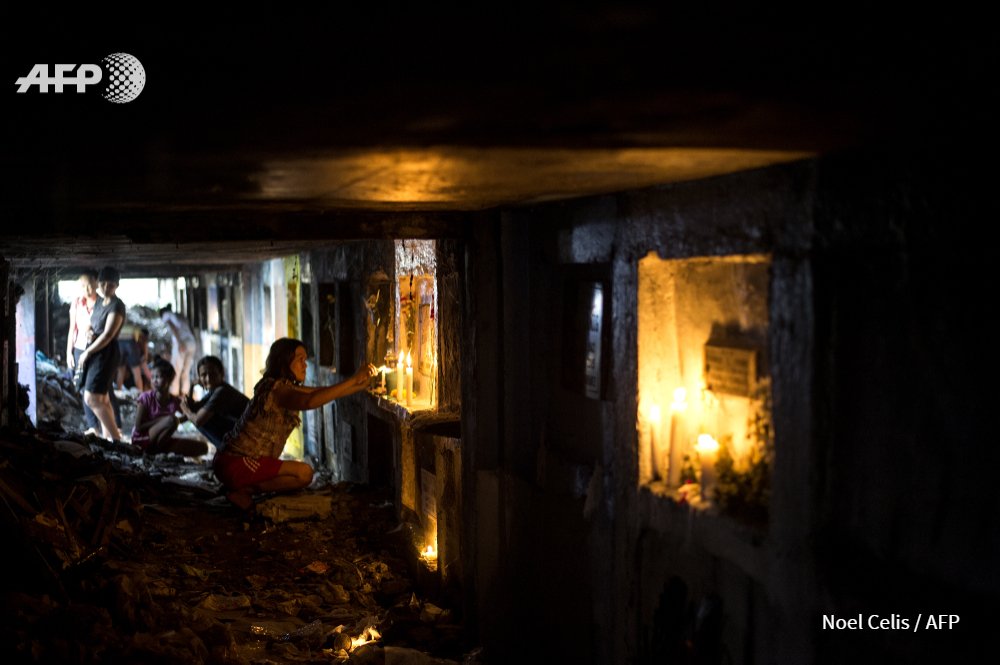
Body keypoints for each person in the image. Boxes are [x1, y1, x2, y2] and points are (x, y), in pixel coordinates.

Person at [213, 338, 374, 513]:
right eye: (300, 360)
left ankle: (240, 487)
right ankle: (242, 490)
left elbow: (316, 392)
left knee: (302, 474)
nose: (304, 366)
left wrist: (357, 385)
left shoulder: (282, 385)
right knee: (304, 474)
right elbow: (310, 400)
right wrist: (354, 379)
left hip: (232, 461)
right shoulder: (277, 390)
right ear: (284, 362)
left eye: (305, 360)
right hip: (236, 462)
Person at [77, 266, 126, 441]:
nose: (106, 287)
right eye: (103, 283)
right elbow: (92, 323)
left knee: (91, 398)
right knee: (103, 398)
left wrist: (87, 352)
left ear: (116, 286)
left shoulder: (117, 305)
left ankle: (116, 439)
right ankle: (109, 438)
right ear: (99, 283)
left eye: (110, 285)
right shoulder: (98, 302)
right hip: (96, 353)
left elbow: (108, 335)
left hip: (106, 354)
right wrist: (88, 331)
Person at [130, 358, 209, 458]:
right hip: (141, 440)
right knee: (172, 420)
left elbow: (188, 412)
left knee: (203, 447)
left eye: (158, 377)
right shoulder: (145, 398)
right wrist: (164, 421)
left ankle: (159, 451)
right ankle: (154, 453)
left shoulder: (174, 401)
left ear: (169, 379)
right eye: (153, 377)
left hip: (161, 441)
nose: (154, 380)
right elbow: (138, 427)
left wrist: (192, 386)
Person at [179, 355, 250, 450]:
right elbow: (193, 409)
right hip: (244, 436)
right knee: (200, 414)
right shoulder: (215, 390)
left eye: (213, 374)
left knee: (203, 417)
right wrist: (192, 386)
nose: (208, 379)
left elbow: (197, 420)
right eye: (203, 375)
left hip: (247, 440)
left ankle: (228, 451)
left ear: (221, 374)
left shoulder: (222, 392)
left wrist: (186, 410)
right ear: (199, 378)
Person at [65, 270, 99, 432]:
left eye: (89, 285)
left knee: (96, 387)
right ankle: (93, 426)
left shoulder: (102, 303)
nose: (86, 289)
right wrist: (68, 353)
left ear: (96, 283)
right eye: (83, 286)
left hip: (96, 350)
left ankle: (105, 425)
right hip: (79, 348)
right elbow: (72, 329)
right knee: (83, 387)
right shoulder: (77, 303)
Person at [159, 303, 197, 396]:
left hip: (182, 343)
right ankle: (185, 392)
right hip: (192, 342)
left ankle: (174, 393)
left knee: (176, 369)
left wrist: (180, 343)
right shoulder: (179, 315)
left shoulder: (166, 316)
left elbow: (172, 327)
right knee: (186, 370)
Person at [117, 327, 152, 392]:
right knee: (136, 372)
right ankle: (140, 392)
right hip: (130, 342)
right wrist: (145, 355)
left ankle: (119, 391)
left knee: (121, 371)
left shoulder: (129, 329)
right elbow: (144, 344)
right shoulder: (140, 334)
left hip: (119, 341)